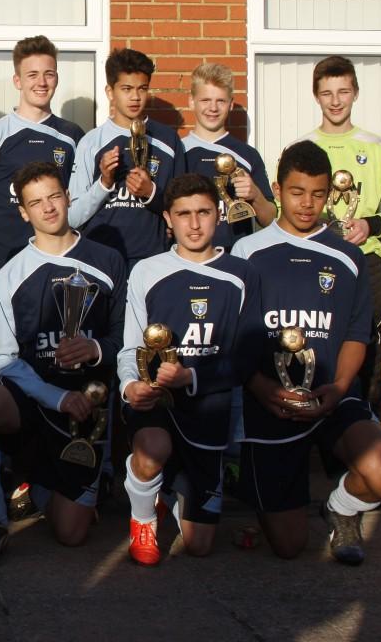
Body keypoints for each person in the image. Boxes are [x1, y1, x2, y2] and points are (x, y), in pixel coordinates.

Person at [232, 140, 381, 565]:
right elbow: (235, 337)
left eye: (318, 193)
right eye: (296, 192)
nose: (307, 204)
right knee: (289, 548)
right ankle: (262, 500)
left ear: (331, 194)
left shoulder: (348, 256)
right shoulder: (247, 253)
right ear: (276, 188)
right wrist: (261, 387)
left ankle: (341, 508)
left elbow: (356, 335)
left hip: (331, 395)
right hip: (269, 402)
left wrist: (340, 388)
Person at [0, 161, 126, 568]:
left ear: (68, 197)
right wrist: (55, 396)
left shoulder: (108, 260)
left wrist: (95, 349)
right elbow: (2, 359)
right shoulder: (11, 271)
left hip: (87, 406)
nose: (48, 208)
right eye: (36, 202)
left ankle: (53, 484)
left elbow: (127, 339)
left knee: (71, 535)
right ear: (23, 212)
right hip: (34, 399)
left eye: (54, 196)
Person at [117, 173, 262, 565]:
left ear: (219, 215)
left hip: (209, 409)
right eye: (184, 214)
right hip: (158, 401)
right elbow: (132, 344)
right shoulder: (147, 270)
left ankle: (171, 489)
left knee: (199, 546)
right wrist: (130, 384)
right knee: (151, 450)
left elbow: (248, 358)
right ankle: (143, 520)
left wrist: (191, 377)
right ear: (168, 218)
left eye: (203, 212)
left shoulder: (242, 274)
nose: (194, 224)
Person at [296, 56, 381, 410]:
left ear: (355, 93)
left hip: (366, 262)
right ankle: (314, 437)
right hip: (316, 262)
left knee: (369, 346)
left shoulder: (378, 147)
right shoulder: (300, 149)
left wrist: (370, 225)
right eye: (327, 93)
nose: (335, 101)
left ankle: (367, 428)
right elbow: (286, 210)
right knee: (313, 344)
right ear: (315, 96)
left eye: (343, 91)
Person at [67, 48, 186, 269]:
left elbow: (183, 206)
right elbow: (72, 217)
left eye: (142, 89)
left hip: (154, 261)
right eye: (126, 89)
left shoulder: (169, 141)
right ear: (110, 91)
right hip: (100, 261)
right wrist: (104, 183)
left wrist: (150, 193)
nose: (135, 97)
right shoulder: (91, 142)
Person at [0, 35, 84, 271]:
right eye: (32, 75)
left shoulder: (72, 135)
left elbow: (77, 199)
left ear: (57, 78)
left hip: (58, 258)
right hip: (2, 259)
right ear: (17, 81)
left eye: (49, 74)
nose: (42, 82)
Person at [181, 63, 275, 251]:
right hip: (189, 259)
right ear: (191, 101)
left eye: (221, 101)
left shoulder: (247, 155)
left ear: (231, 104)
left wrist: (255, 194)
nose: (213, 108)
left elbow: (271, 218)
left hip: (235, 257)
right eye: (205, 100)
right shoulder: (178, 152)